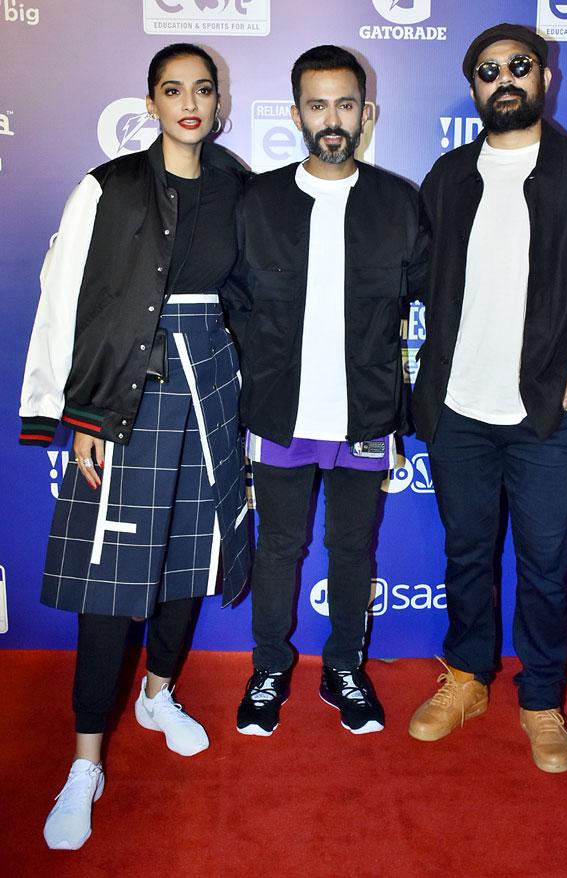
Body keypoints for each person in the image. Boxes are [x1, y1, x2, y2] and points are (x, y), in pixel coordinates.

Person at [408, 23, 567, 771]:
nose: (505, 79)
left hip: (546, 412)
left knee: (547, 567)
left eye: (519, 65)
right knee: (466, 555)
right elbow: (409, 274)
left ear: (544, 78)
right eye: (488, 71)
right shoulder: (447, 177)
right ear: (474, 87)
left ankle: (542, 700)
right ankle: (467, 678)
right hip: (458, 409)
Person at [19, 43, 249, 848]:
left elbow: (258, 294)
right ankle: (85, 761)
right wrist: (74, 411)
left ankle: (157, 694)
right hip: (128, 389)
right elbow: (62, 295)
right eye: (172, 89)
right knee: (110, 582)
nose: (189, 103)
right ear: (150, 102)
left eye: (202, 89)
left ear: (218, 101)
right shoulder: (108, 186)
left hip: (212, 382)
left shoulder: (238, 186)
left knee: (191, 558)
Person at [226, 45, 425, 737]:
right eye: (318, 105)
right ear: (295, 114)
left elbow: (441, 294)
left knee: (352, 549)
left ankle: (344, 667)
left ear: (367, 113)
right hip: (280, 413)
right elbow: (230, 302)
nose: (332, 119)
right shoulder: (257, 202)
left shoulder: (399, 202)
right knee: (279, 548)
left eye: (345, 104)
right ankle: (268, 669)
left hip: (365, 414)